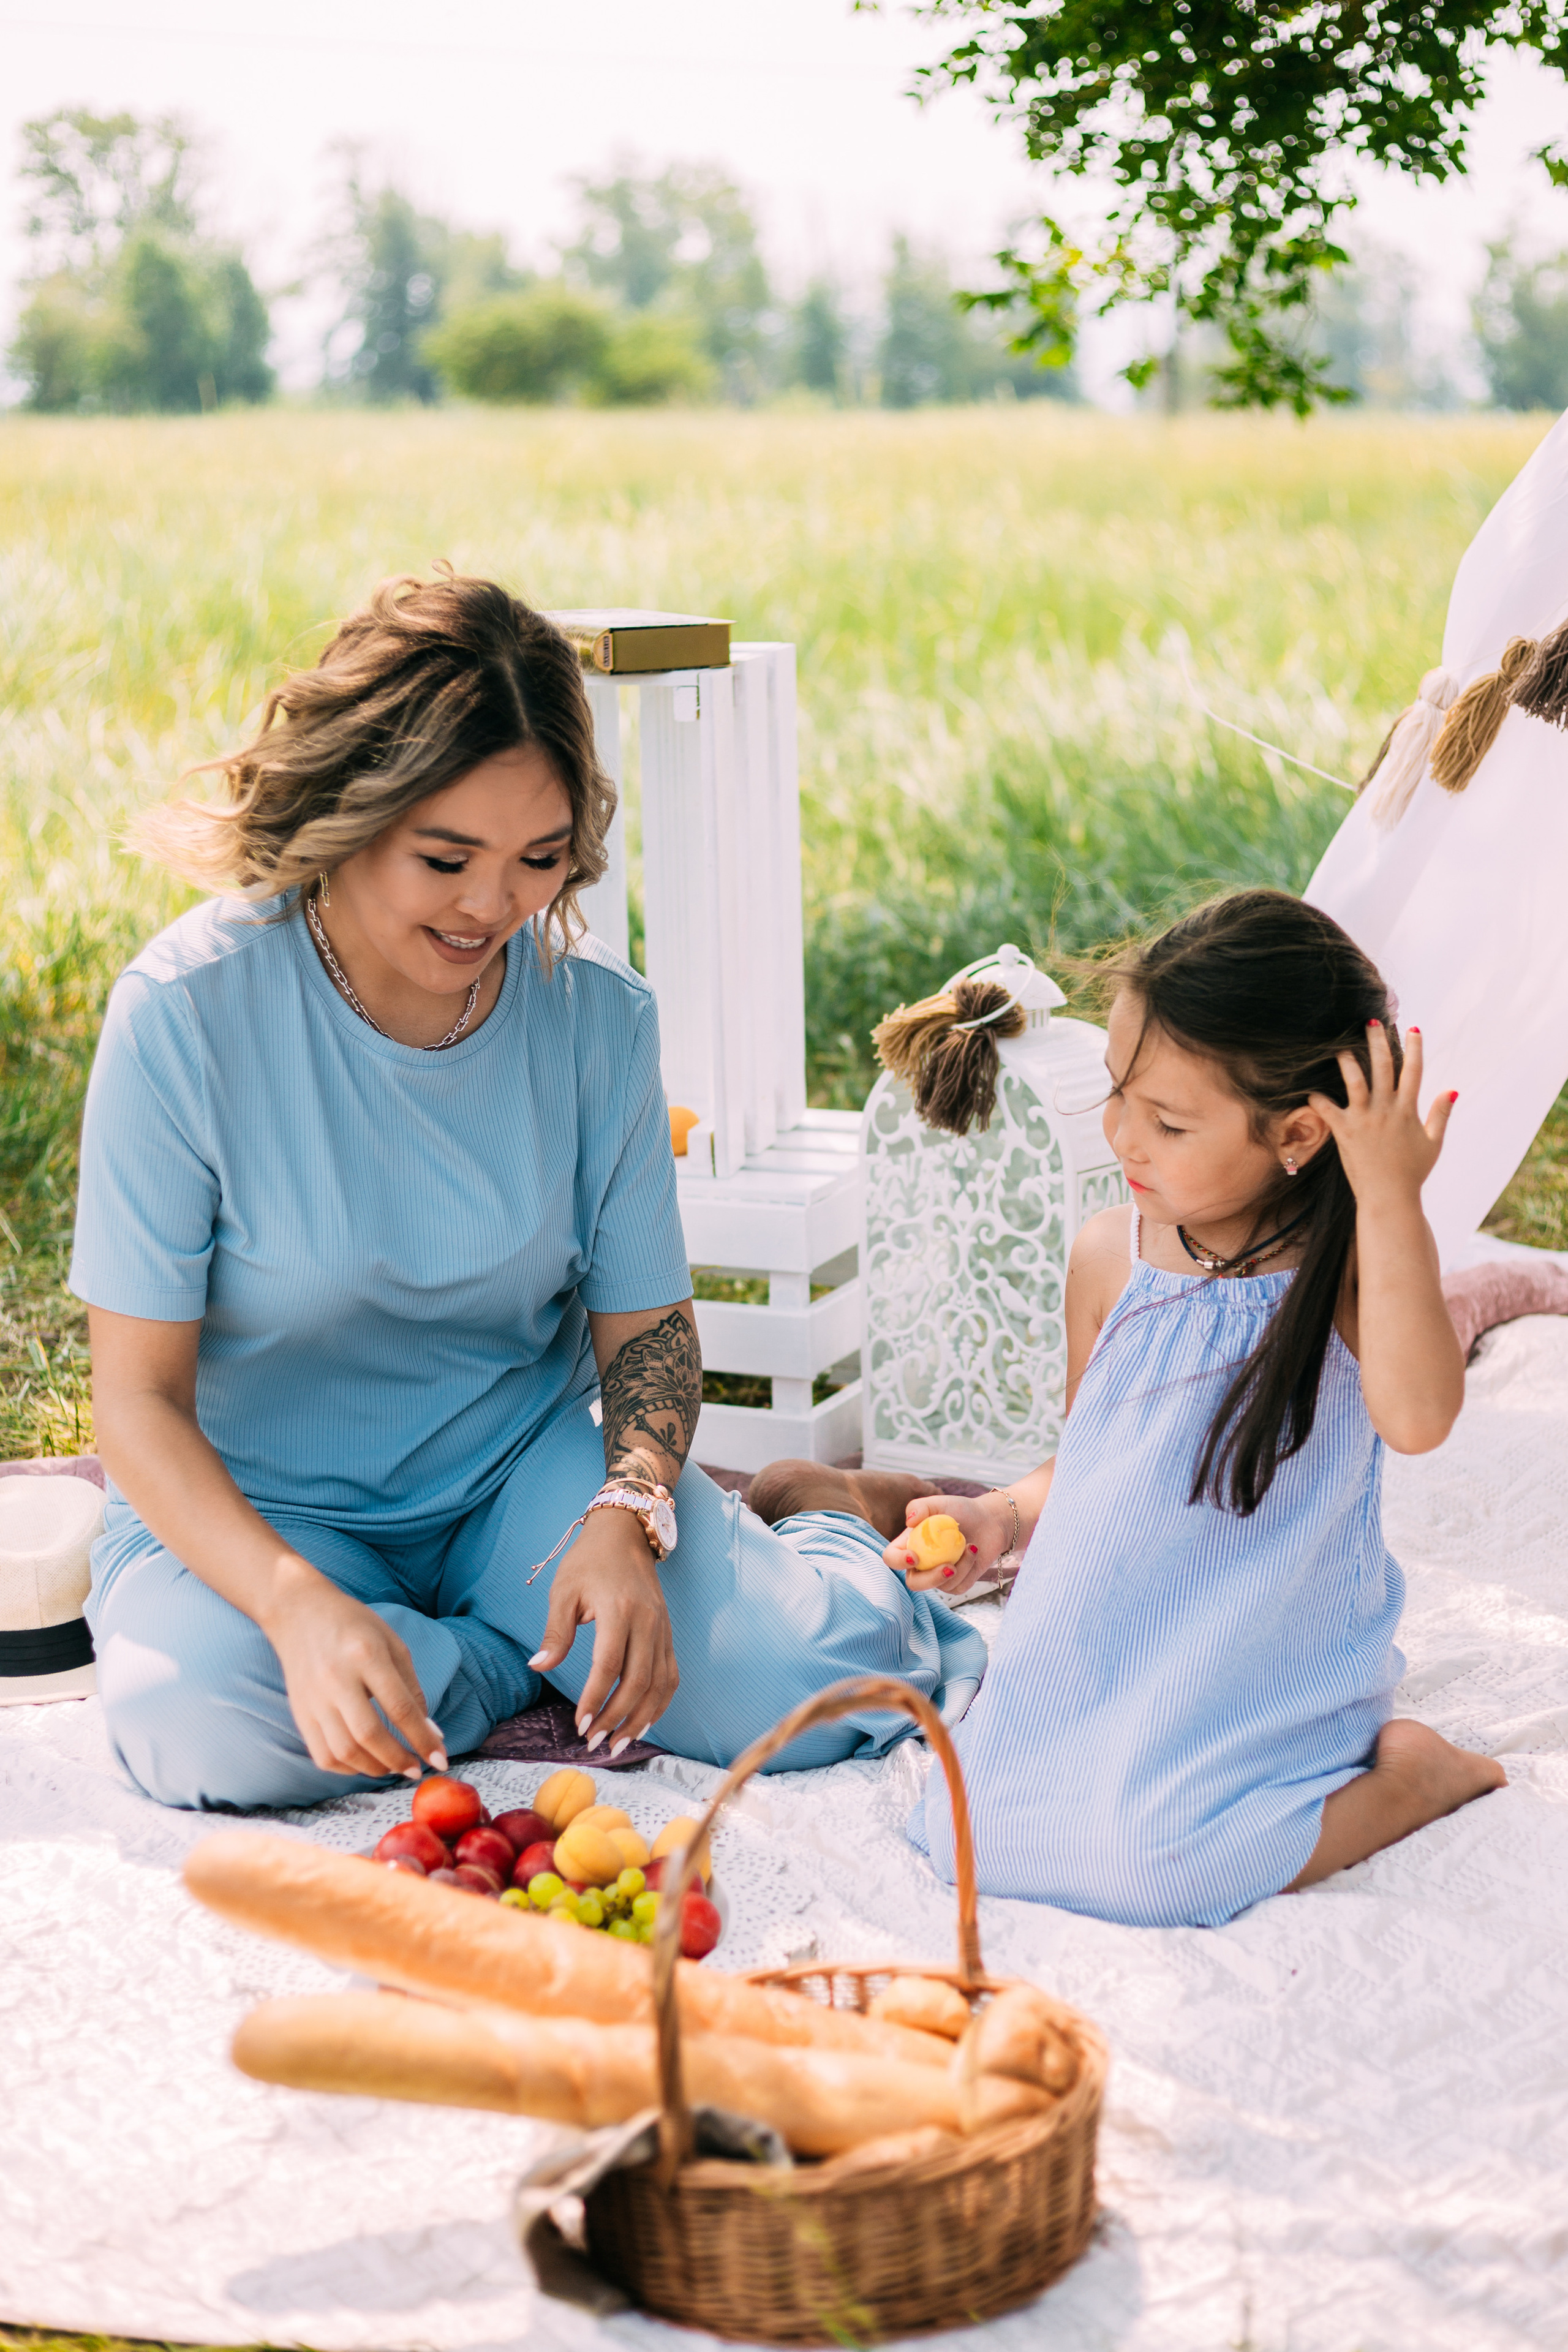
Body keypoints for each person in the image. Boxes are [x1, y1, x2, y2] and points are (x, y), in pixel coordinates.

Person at [72, 570, 985, 1811]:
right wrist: (296, 1608)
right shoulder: (185, 1015)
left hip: (524, 1484)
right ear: (349, 812)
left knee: (815, 1691)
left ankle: (808, 1527)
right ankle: (502, 1662)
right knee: (208, 1732)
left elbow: (648, 1332)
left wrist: (627, 1514)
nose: (494, 905)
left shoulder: (593, 1019)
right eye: (445, 857)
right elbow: (134, 1400)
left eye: (540, 858)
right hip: (262, 1514)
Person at [756, 892, 1506, 1928]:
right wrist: (1000, 1519)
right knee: (977, 1832)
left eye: (1168, 1122)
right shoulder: (1112, 1255)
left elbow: (1421, 1417)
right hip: (1110, 1646)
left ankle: (1408, 1779)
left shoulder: (1349, 1277)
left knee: (1161, 1867)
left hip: (1257, 1656)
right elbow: (1096, 1468)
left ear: (1297, 1132)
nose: (1122, 1136)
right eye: (1119, 1096)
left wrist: (1389, 1197)